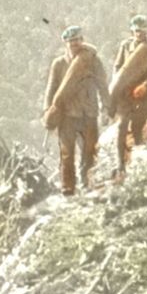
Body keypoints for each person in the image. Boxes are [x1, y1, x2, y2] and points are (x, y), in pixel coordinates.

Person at [42, 26, 109, 195]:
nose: (74, 44)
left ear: (82, 40)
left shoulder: (92, 60)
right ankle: (68, 188)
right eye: (71, 41)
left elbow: (103, 85)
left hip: (89, 113)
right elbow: (51, 90)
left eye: (77, 40)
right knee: (67, 154)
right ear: (65, 43)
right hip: (67, 116)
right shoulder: (59, 64)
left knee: (89, 152)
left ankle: (87, 184)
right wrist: (48, 113)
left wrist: (106, 108)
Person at [108, 14, 147, 180]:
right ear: (132, 31)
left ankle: (139, 157)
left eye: (142, 31)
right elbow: (117, 66)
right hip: (125, 93)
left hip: (141, 93)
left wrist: (146, 86)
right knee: (122, 125)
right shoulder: (125, 46)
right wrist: (116, 84)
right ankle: (120, 164)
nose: (139, 34)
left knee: (139, 124)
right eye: (136, 31)